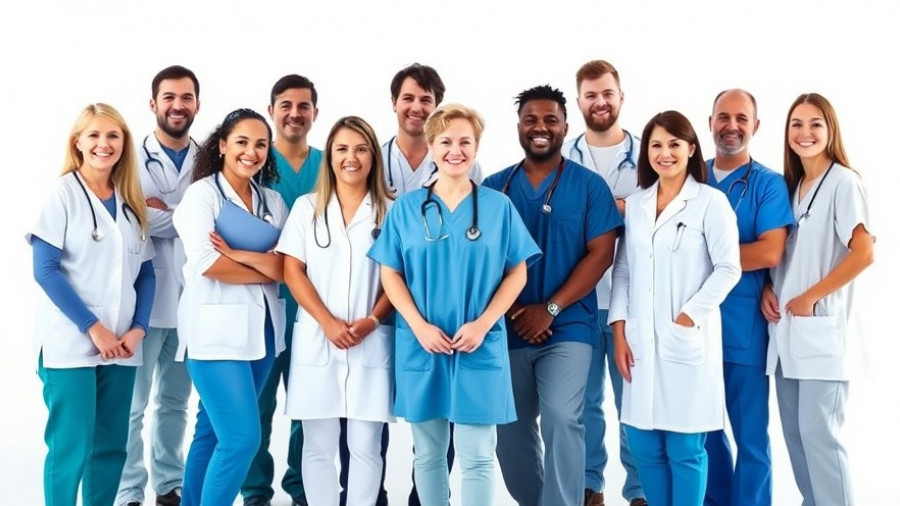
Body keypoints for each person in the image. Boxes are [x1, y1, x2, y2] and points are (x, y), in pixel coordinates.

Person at [369, 103, 540, 506]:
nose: (455, 150)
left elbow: (519, 272)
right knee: (427, 454)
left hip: (478, 343)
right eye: (445, 141)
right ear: (430, 146)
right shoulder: (407, 209)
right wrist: (417, 325)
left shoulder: (498, 208)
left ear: (477, 147)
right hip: (424, 343)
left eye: (465, 141)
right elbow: (389, 273)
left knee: (478, 456)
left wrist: (484, 323)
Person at [485, 85, 622, 506]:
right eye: (531, 119)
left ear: (565, 126)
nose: (540, 128)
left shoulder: (590, 187)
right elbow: (480, 261)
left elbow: (601, 255)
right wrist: (514, 312)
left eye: (550, 120)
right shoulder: (493, 188)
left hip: (569, 328)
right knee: (509, 428)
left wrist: (550, 309)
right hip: (507, 329)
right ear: (519, 127)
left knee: (564, 417)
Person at [609, 110, 741, 506]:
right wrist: (619, 331)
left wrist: (687, 317)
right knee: (644, 445)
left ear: (691, 148)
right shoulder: (637, 204)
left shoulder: (710, 203)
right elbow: (623, 270)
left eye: (673, 144)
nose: (664, 153)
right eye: (655, 145)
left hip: (686, 341)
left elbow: (728, 268)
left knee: (685, 449)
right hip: (639, 343)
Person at [28, 103, 155, 506]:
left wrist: (138, 329)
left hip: (121, 345)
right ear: (78, 142)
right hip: (72, 345)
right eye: (95, 135)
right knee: (72, 448)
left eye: (113, 136)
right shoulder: (63, 194)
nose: (104, 144)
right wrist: (92, 327)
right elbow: (45, 269)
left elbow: (147, 274)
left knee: (112, 448)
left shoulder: (131, 203)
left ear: (124, 143)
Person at [761, 93, 874, 506]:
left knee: (818, 435)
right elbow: (787, 256)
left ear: (830, 131)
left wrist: (810, 296)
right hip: (787, 334)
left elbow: (864, 252)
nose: (805, 133)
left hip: (822, 332)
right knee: (796, 437)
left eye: (814, 124)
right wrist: (771, 289)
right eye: (796, 124)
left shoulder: (844, 182)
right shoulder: (792, 187)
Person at [172, 108, 289, 506]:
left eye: (260, 144)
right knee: (242, 439)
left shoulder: (272, 200)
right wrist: (264, 265)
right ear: (222, 145)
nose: (251, 152)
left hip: (263, 333)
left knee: (212, 432)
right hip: (214, 336)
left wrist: (239, 254)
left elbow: (287, 268)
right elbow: (208, 265)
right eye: (241, 142)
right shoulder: (201, 195)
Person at [276, 116, 395, 506]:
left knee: (365, 446)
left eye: (361, 149)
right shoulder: (307, 207)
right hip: (316, 337)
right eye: (342, 149)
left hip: (371, 338)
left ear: (373, 157)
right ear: (329, 158)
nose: (351, 157)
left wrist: (373, 320)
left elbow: (400, 279)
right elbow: (292, 269)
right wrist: (326, 322)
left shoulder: (390, 210)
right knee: (317, 447)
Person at [702, 89, 794, 506]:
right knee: (702, 431)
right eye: (724, 117)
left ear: (755, 126)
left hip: (744, 330)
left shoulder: (768, 184)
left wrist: (701, 257)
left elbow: (770, 251)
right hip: (693, 326)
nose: (732, 126)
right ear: (710, 123)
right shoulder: (689, 176)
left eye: (742, 118)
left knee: (751, 439)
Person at [561, 60, 645, 506]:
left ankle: (639, 491)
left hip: (629, 303)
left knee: (633, 402)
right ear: (579, 102)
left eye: (607, 93)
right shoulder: (563, 159)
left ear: (621, 97)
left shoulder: (647, 158)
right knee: (584, 404)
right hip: (577, 302)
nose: (600, 102)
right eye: (591, 95)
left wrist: (621, 210)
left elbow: (660, 214)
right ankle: (590, 487)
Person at [118, 64, 200, 506]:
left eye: (186, 97)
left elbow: (218, 221)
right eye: (169, 97)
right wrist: (187, 214)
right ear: (154, 104)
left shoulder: (211, 158)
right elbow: (134, 216)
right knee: (133, 407)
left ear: (196, 105)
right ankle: (130, 491)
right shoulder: (129, 158)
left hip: (192, 303)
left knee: (175, 403)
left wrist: (166, 212)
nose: (177, 105)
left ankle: (169, 485)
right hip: (142, 305)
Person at [242, 74, 322, 506]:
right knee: (255, 408)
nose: (295, 113)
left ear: (315, 113)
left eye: (304, 106)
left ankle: (302, 490)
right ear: (271, 111)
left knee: (308, 409)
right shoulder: (252, 162)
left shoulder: (332, 163)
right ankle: (255, 492)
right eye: (286, 105)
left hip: (315, 306)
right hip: (261, 305)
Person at [382, 63, 483, 195]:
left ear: (437, 107)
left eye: (425, 100)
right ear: (394, 103)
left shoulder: (467, 166)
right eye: (408, 98)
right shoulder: (375, 163)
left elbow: (479, 212)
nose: (416, 108)